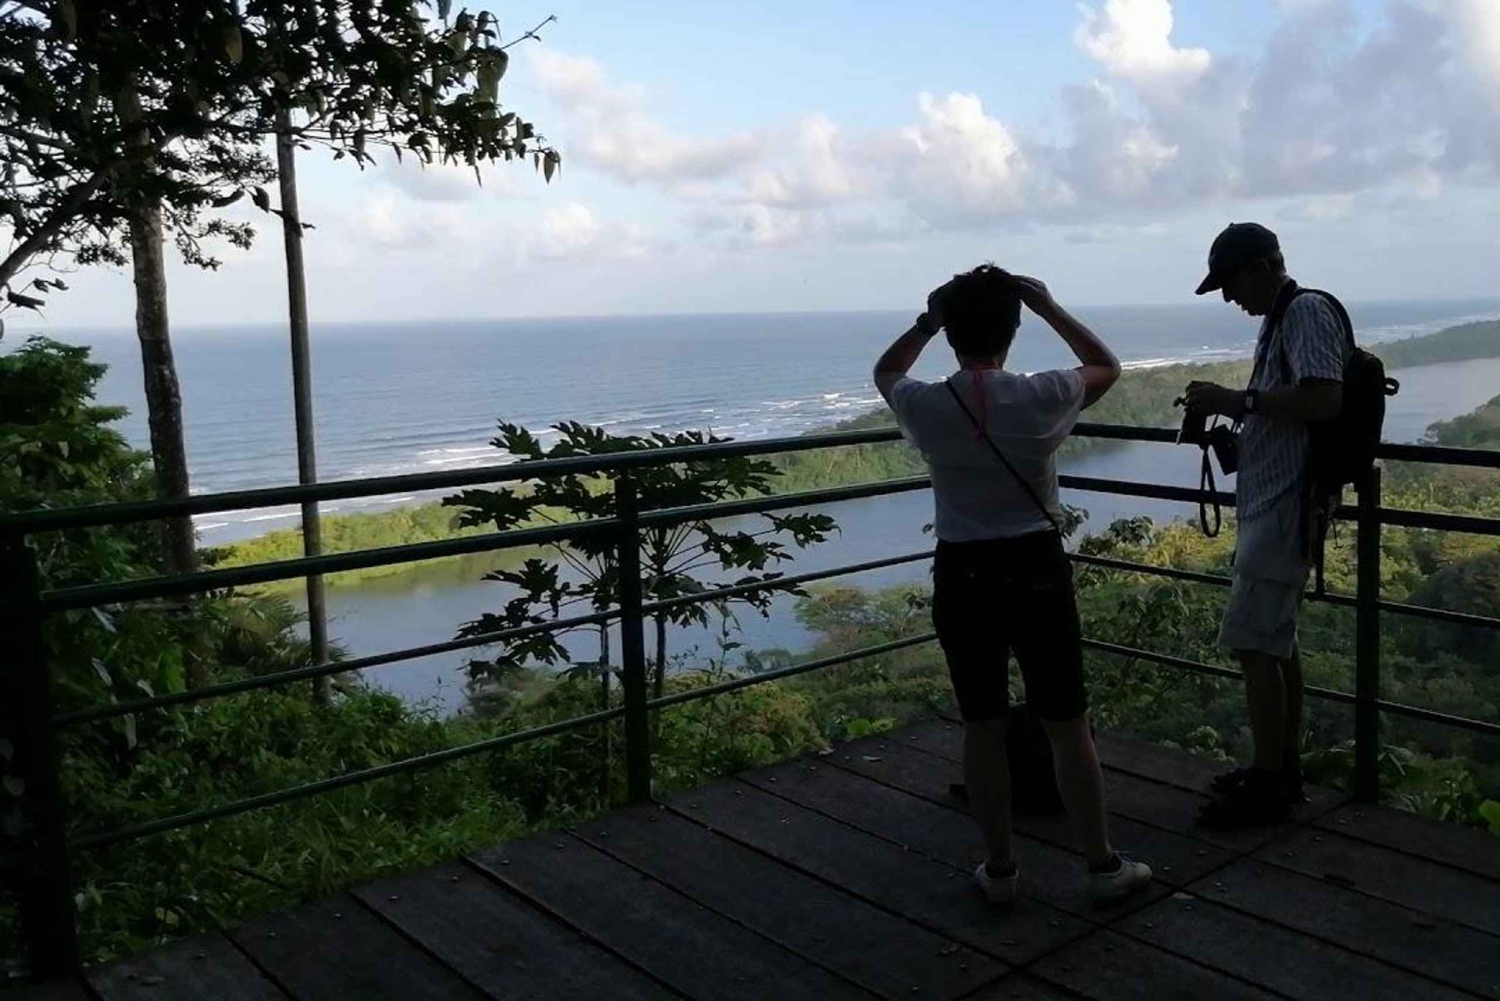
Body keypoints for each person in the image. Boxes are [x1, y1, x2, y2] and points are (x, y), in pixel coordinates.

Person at [873, 265, 1152, 906]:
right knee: (1066, 723)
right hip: (1035, 568)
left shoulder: (928, 403)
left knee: (983, 724)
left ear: (950, 335)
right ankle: (1101, 865)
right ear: (1014, 330)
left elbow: (886, 372)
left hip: (964, 571)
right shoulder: (1042, 393)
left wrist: (927, 318)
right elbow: (1105, 366)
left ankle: (1000, 871)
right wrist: (1050, 305)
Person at [1182, 223, 1351, 829]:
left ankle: (1270, 783)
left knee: (1253, 644)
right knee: (1277, 644)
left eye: (1230, 282)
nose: (1229, 297)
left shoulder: (1303, 312)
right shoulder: (1279, 319)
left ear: (1263, 265)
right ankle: (1279, 767)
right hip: (1275, 499)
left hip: (1289, 502)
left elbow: (1324, 399)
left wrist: (1237, 402)